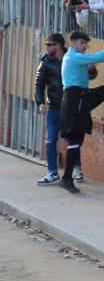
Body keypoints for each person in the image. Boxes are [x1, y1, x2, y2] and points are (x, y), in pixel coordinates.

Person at [58, 31, 104, 193]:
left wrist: (90, 71)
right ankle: (66, 178)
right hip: (74, 99)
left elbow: (87, 76)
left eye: (86, 44)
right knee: (75, 138)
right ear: (73, 43)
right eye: (81, 43)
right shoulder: (74, 57)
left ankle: (67, 177)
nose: (84, 46)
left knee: (77, 140)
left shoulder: (76, 58)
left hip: (81, 97)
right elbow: (96, 57)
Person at [34, 33, 65, 185]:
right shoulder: (45, 62)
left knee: (72, 138)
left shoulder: (70, 58)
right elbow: (38, 85)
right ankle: (52, 172)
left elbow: (87, 75)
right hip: (53, 106)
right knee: (51, 139)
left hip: (70, 106)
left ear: (58, 45)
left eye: (49, 44)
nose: (46, 47)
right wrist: (40, 102)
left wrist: (92, 72)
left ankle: (77, 169)